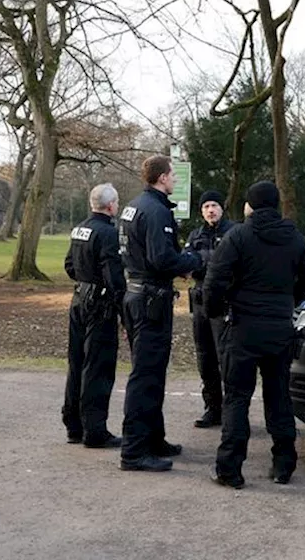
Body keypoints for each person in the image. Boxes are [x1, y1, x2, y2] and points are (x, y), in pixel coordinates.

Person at [203, 181, 305, 488]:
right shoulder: (293, 238)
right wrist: (289, 300)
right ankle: (284, 465)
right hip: (280, 328)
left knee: (237, 398)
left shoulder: (238, 236)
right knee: (279, 395)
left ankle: (230, 468)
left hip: (243, 327)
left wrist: (216, 310)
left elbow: (215, 279)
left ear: (251, 206)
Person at [118, 155, 203, 472]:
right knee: (146, 376)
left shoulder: (136, 205)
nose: (176, 181)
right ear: (163, 177)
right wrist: (192, 261)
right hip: (150, 300)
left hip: (137, 294)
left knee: (152, 372)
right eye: (173, 176)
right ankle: (134, 451)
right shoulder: (156, 211)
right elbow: (161, 258)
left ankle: (154, 438)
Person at [60, 183, 125, 449]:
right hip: (100, 304)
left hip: (79, 300)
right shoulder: (108, 233)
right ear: (110, 205)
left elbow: (69, 266)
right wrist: (122, 307)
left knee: (77, 362)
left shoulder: (80, 229)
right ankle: (95, 429)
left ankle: (73, 424)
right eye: (117, 202)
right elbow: (113, 276)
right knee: (97, 367)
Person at [184, 189, 234, 428]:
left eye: (214, 205)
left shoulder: (234, 233)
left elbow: (228, 264)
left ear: (222, 208)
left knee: (226, 356)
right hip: (199, 301)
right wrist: (207, 261)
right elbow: (185, 262)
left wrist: (202, 261)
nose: (210, 210)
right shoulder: (196, 235)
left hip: (224, 302)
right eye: (205, 207)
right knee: (205, 357)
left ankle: (231, 410)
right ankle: (212, 408)